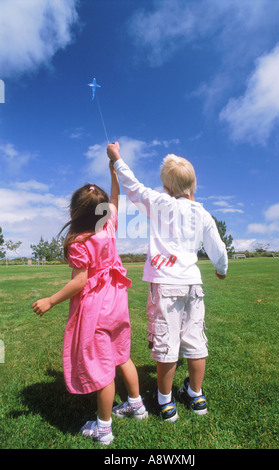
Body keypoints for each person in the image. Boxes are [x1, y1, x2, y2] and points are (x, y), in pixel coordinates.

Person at [107, 142, 228, 422]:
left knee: (166, 342)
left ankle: (165, 402)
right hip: (193, 286)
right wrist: (221, 269)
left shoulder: (161, 203)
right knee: (195, 341)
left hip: (165, 284)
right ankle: (196, 395)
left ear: (167, 188)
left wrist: (117, 159)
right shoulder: (203, 214)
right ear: (193, 186)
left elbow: (133, 187)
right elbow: (218, 248)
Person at [32, 161, 147, 445]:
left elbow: (80, 281)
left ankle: (103, 428)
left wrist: (50, 300)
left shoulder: (79, 242)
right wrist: (113, 175)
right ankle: (136, 404)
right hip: (118, 301)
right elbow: (115, 200)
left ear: (73, 213)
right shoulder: (108, 225)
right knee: (121, 356)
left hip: (97, 309)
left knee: (102, 368)